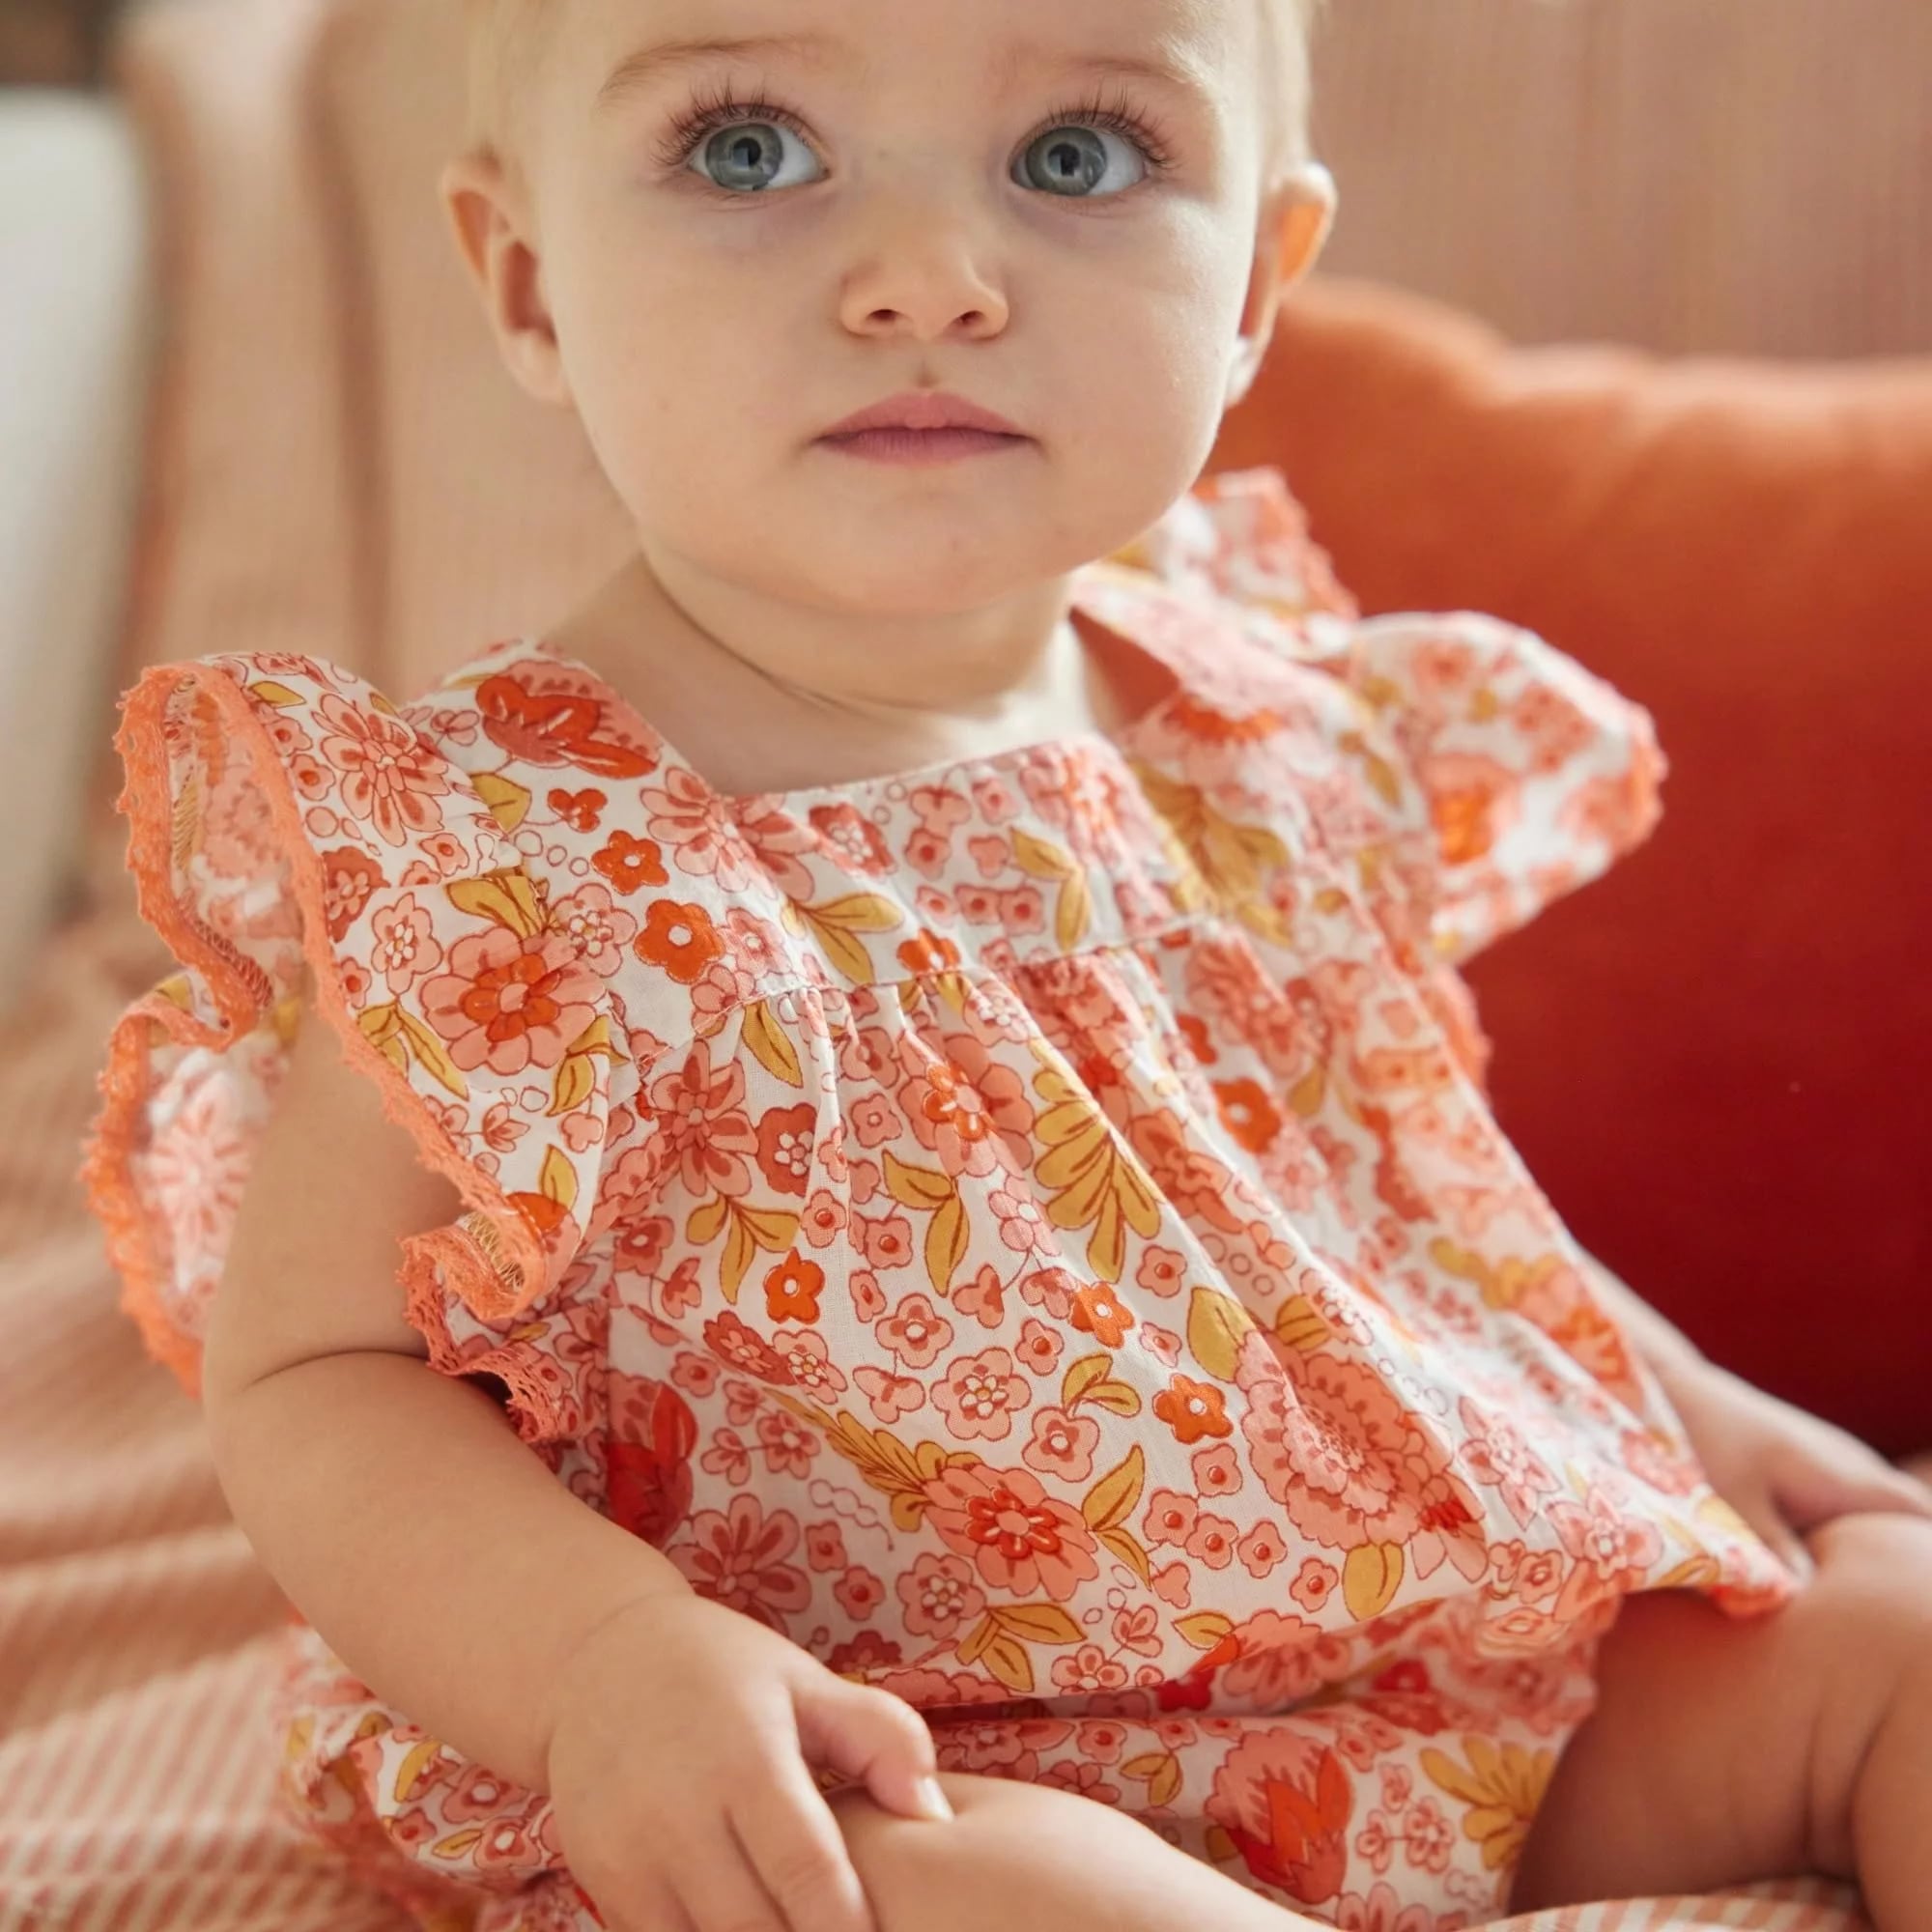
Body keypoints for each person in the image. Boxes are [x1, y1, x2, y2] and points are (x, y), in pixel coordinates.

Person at [83, 2, 1932, 1929]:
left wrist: (1685, 1400)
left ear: (1253, 289)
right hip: (872, 1756)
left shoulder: (1249, 734)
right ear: (530, 282)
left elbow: (1392, 1202)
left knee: (1902, 1642)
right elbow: (319, 1372)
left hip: (1395, 1677)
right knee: (1023, 1896)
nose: (928, 279)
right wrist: (601, 1659)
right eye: (747, 148)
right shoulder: (501, 862)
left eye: (1076, 156)